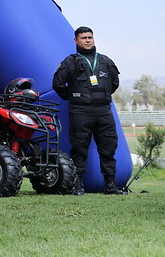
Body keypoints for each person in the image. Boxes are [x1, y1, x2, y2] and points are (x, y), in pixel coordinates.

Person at [52, 26, 125, 195]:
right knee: (79, 149)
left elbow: (114, 83)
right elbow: (58, 84)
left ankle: (110, 186)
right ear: (76, 40)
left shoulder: (105, 61)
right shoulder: (70, 61)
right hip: (80, 112)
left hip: (104, 111)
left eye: (90, 37)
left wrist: (100, 97)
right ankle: (78, 186)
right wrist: (74, 97)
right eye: (83, 37)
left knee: (108, 149)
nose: (87, 40)